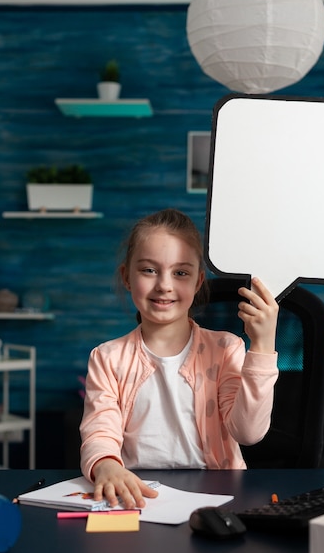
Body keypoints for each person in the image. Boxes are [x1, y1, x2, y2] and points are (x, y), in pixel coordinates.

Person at [80, 208, 279, 509]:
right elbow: (99, 429)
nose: (164, 285)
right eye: (149, 270)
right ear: (126, 277)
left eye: (180, 273)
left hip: (216, 496)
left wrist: (262, 346)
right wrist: (106, 465)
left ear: (198, 282)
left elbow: (248, 433)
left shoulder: (226, 348)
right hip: (137, 496)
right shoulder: (107, 358)